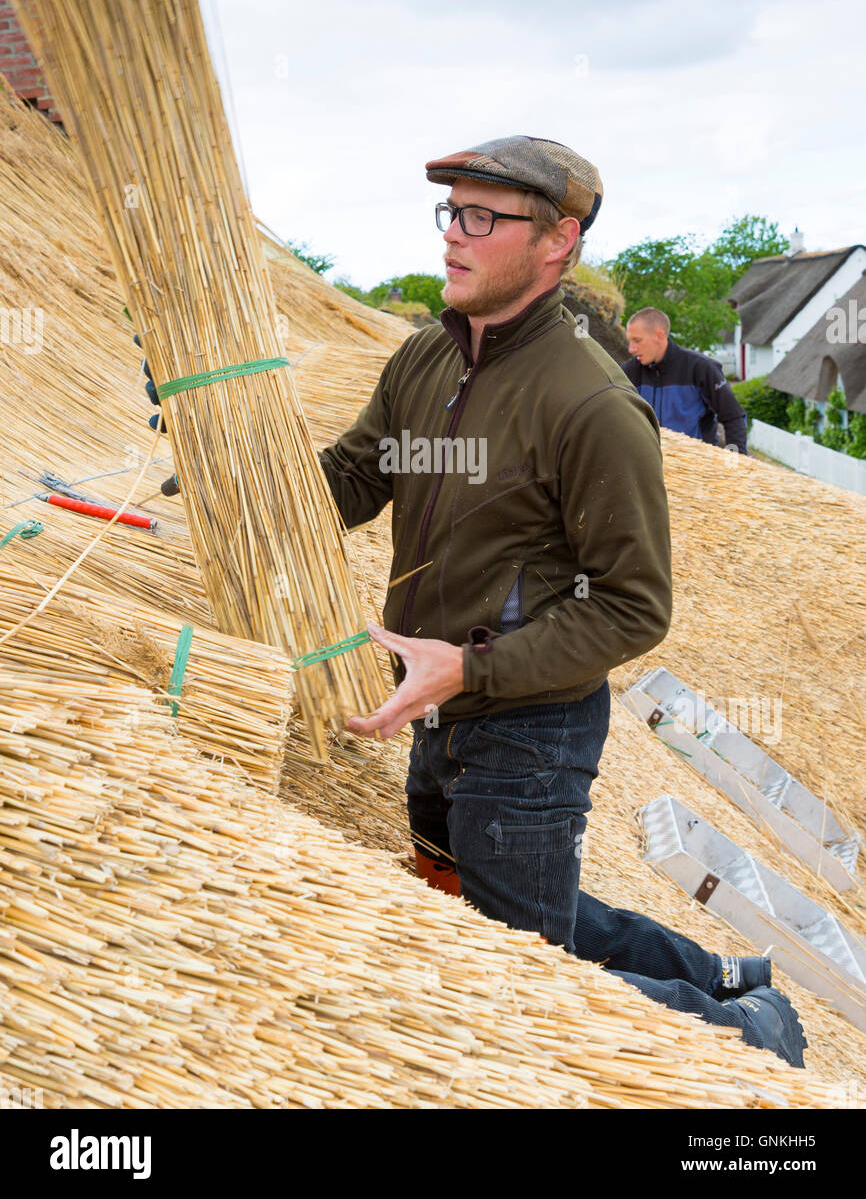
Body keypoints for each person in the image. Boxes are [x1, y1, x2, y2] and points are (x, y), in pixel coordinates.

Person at [142, 135, 805, 1068]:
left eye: (483, 217)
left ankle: (748, 1031)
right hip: (436, 707)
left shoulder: (593, 405)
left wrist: (474, 666)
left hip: (529, 733)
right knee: (494, 902)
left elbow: (632, 606)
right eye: (451, 212)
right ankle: (722, 974)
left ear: (556, 242)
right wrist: (227, 469)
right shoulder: (425, 360)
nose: (455, 235)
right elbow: (353, 480)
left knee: (519, 976)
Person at [623, 308, 748, 453]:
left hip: (698, 466)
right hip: (649, 466)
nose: (631, 349)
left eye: (637, 340)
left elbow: (734, 417)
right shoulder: (628, 372)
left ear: (659, 335)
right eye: (630, 341)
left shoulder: (701, 367)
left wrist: (735, 462)